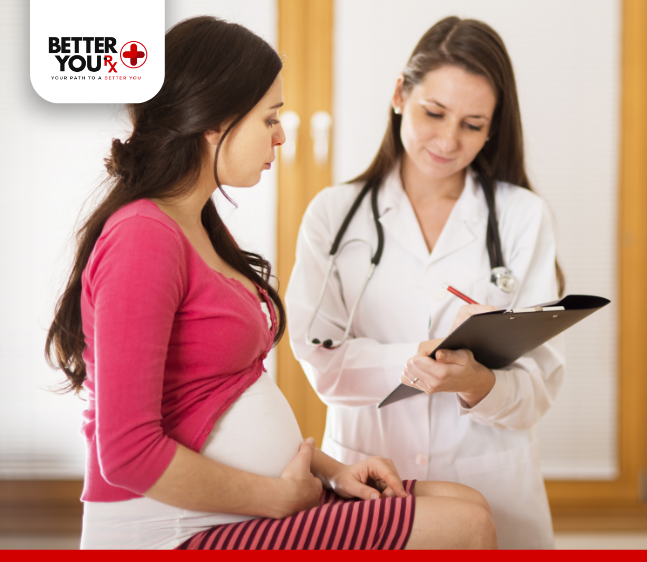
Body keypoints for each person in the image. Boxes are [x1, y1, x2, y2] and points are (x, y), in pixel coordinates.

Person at [44, 16, 497, 550]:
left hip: (235, 510)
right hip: (173, 529)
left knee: (467, 503)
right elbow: (126, 454)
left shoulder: (196, 226)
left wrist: (332, 471)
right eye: (270, 118)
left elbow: (223, 389)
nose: (281, 135)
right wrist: (275, 499)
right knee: (466, 528)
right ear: (214, 122)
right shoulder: (144, 238)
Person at [286, 16, 565, 549]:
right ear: (399, 94)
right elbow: (320, 357)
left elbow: (538, 384)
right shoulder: (335, 214)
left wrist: (478, 385)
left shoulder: (521, 218)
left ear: (493, 128)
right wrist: (421, 358)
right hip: (369, 486)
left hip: (490, 478)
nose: (447, 140)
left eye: (472, 123)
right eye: (433, 113)